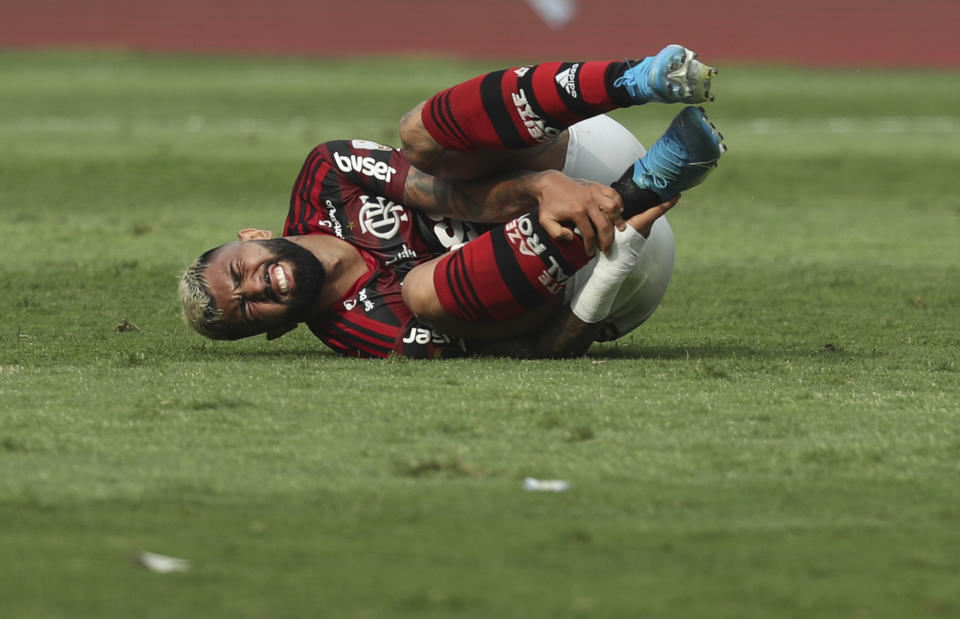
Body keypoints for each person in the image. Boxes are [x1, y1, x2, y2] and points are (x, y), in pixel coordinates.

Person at [179, 44, 726, 358]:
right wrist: (606, 281)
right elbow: (526, 347)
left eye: (238, 272)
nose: (256, 285)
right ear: (276, 330)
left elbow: (446, 191)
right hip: (607, 266)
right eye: (248, 307)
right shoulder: (364, 331)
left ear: (251, 237)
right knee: (420, 289)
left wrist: (541, 187)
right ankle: (647, 186)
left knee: (419, 136)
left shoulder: (325, 175)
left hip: (573, 161)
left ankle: (636, 78)